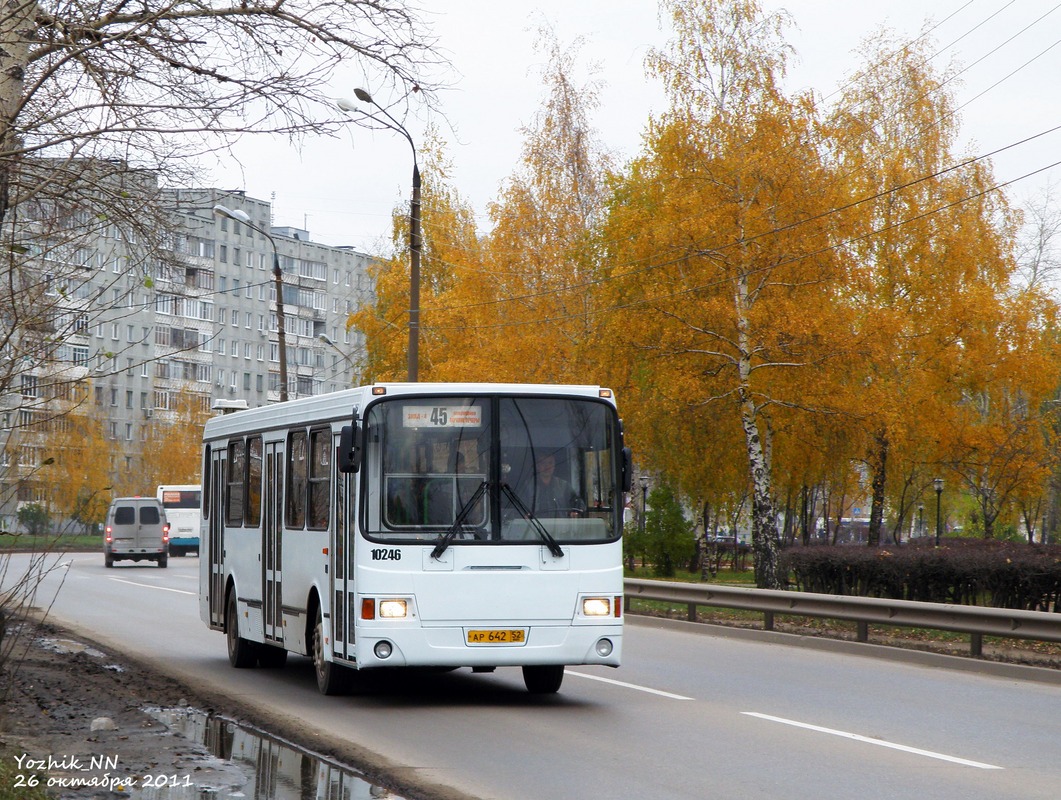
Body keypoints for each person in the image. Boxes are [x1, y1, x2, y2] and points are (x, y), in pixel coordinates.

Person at [527, 452, 583, 517]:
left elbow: (579, 504)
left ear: (554, 466)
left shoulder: (564, 486)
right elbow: (518, 509)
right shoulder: (528, 487)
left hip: (559, 526)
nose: (547, 467)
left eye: (550, 463)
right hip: (534, 525)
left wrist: (575, 512)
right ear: (537, 466)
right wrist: (524, 515)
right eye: (543, 463)